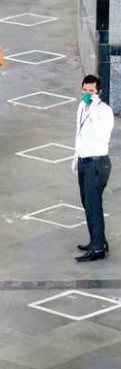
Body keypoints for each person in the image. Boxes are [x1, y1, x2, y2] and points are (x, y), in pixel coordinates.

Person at [72, 75, 114, 262]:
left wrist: (94, 109)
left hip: (97, 163)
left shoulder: (104, 111)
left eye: (91, 91)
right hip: (84, 161)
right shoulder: (81, 106)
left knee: (93, 205)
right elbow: (79, 134)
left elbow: (100, 133)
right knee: (88, 204)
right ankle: (98, 240)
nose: (87, 94)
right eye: (85, 90)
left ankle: (97, 248)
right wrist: (76, 158)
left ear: (98, 93)